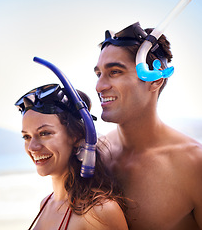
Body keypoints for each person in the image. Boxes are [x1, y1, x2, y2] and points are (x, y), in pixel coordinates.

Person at [94, 22, 202, 230]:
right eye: (98, 74)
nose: (99, 86)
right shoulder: (96, 155)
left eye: (115, 72)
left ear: (154, 80)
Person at [15, 83, 128, 230]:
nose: (32, 147)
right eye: (27, 137)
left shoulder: (99, 211)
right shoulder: (46, 203)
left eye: (44, 133)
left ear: (76, 136)